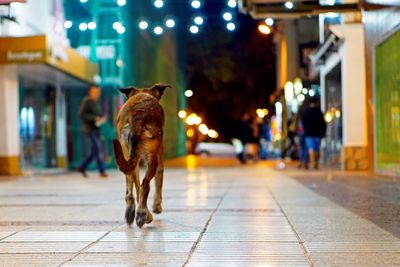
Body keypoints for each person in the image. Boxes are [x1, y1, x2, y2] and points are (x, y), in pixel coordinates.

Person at [77, 86, 108, 178]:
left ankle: (82, 167)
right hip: (89, 129)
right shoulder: (87, 101)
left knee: (94, 151)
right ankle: (101, 171)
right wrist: (94, 118)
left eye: (98, 92)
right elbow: (81, 115)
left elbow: (98, 115)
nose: (97, 94)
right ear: (90, 92)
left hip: (96, 129)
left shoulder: (96, 103)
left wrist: (101, 119)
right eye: (95, 92)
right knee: (97, 148)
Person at [301, 97, 327, 169]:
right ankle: (315, 163)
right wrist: (323, 133)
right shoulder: (319, 112)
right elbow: (323, 124)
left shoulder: (306, 112)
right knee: (317, 149)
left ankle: (313, 163)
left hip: (308, 133)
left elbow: (303, 123)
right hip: (317, 133)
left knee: (311, 148)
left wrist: (306, 129)